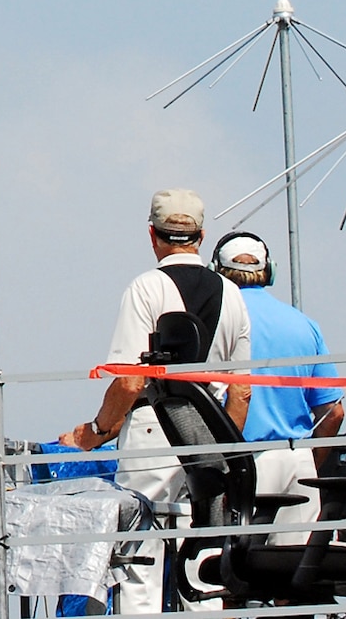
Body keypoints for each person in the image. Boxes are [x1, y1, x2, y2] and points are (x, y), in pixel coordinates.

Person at [60, 189, 251, 613]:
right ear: (201, 237)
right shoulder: (231, 293)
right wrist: (225, 441)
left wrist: (95, 433)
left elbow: (129, 382)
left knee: (141, 549)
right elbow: (241, 389)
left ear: (153, 235)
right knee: (203, 543)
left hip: (154, 426)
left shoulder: (146, 288)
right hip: (211, 432)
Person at [211, 232, 343, 528]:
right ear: (269, 271)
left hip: (237, 463)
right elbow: (333, 413)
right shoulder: (304, 324)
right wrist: (310, 462)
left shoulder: (215, 321)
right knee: (293, 567)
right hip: (296, 461)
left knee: (217, 568)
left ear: (215, 272)